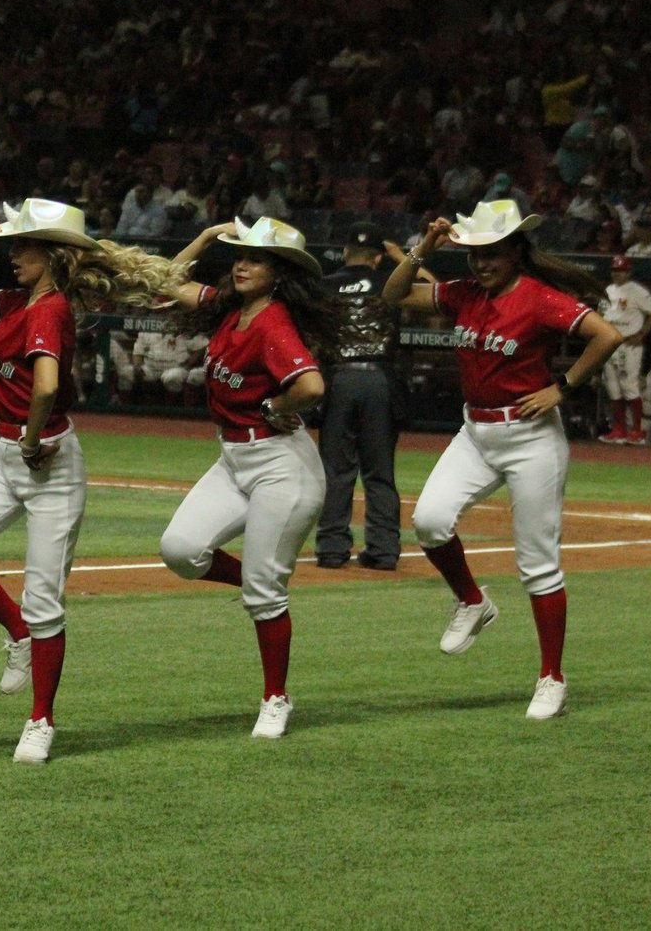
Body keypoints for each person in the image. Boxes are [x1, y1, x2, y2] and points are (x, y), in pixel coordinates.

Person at [0, 199, 183, 764]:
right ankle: (18, 633)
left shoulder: (48, 310)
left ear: (53, 256)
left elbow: (46, 386)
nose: (13, 253)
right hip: (8, 454)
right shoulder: (20, 300)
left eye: (24, 245)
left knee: (46, 600)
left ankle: (40, 720)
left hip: (48, 461)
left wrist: (31, 436)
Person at [382, 200, 623, 720]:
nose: (482, 264)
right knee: (428, 521)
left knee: (537, 563)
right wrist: (424, 248)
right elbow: (394, 294)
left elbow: (608, 336)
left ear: (516, 252)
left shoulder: (539, 299)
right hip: (476, 433)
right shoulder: (464, 292)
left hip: (532, 437)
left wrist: (563, 387)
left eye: (492, 254)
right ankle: (472, 601)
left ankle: (551, 677)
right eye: (475, 255)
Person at [158, 217, 339, 739]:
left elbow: (310, 385)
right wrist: (203, 239)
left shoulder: (273, 322)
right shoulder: (231, 308)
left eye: (256, 258)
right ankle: (264, 579)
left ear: (279, 273)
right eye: (238, 254)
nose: (241, 263)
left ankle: (276, 697)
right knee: (179, 549)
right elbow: (168, 282)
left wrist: (275, 402)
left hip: (282, 467)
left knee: (264, 595)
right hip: (235, 460)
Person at [313, 221, 429, 570]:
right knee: (380, 473)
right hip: (380, 380)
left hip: (338, 380)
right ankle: (383, 551)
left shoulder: (323, 285)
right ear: (379, 258)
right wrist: (404, 257)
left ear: (346, 252)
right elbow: (441, 292)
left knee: (336, 471)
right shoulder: (393, 282)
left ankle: (332, 549)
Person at [596, 254, 651, 444]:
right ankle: (619, 430)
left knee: (629, 386)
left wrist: (641, 334)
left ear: (629, 272)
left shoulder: (636, 290)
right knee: (613, 387)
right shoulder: (607, 289)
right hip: (610, 344)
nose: (617, 273)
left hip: (628, 344)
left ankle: (637, 431)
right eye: (615, 270)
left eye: (621, 270)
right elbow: (600, 314)